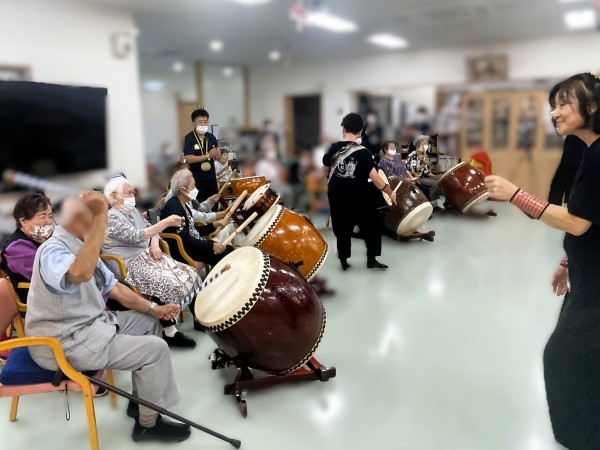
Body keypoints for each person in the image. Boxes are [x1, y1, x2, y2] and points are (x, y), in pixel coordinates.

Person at [484, 72, 600, 449]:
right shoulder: (589, 152)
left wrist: (516, 194)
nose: (555, 112)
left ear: (592, 106)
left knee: (562, 356)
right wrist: (567, 262)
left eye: (564, 103)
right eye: (553, 105)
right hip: (587, 272)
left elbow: (578, 222)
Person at [25, 193, 191, 443]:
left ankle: (141, 402)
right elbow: (78, 274)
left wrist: (153, 309)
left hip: (88, 326)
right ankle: (148, 425)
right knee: (155, 350)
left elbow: (115, 289)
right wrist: (98, 224)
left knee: (147, 322)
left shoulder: (81, 244)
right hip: (63, 341)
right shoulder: (52, 250)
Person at [102, 177, 199, 348]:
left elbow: (151, 228)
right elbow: (136, 236)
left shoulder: (132, 211)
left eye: (133, 192)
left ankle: (198, 318)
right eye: (128, 192)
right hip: (129, 263)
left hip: (148, 256)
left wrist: (155, 244)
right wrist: (166, 222)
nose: (132, 195)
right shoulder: (111, 218)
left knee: (188, 272)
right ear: (115, 196)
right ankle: (170, 332)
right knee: (165, 281)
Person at [323, 113, 397, 271]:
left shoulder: (333, 148)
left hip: (338, 198)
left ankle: (344, 261)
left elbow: (325, 169)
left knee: (342, 230)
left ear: (343, 129)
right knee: (372, 227)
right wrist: (390, 191)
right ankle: (372, 260)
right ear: (361, 132)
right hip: (360, 199)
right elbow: (376, 179)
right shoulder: (364, 152)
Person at [161, 170, 234, 267]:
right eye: (193, 186)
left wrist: (214, 225)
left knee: (228, 250)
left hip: (193, 244)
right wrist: (211, 246)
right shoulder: (174, 209)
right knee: (228, 254)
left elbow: (193, 230)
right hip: (186, 251)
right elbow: (185, 238)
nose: (195, 189)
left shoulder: (183, 204)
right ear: (183, 190)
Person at [0, 193, 54, 302]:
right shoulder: (16, 248)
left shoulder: (44, 239)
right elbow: (50, 276)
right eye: (43, 216)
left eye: (50, 216)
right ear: (24, 222)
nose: (49, 221)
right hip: (38, 303)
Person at [182, 109, 220, 202]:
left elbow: (216, 157)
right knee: (199, 205)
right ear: (194, 123)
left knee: (213, 203)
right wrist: (208, 155)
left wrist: (217, 155)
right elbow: (189, 158)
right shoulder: (189, 138)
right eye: (200, 122)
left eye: (205, 122)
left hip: (211, 178)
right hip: (196, 179)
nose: (203, 124)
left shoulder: (211, 137)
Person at [548, 134, 586, 205]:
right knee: (559, 187)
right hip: (574, 156)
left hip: (575, 157)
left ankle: (558, 206)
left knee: (559, 187)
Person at [406, 135, 441, 204]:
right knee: (436, 183)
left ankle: (433, 201)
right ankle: (432, 202)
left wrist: (434, 176)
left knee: (439, 181)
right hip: (415, 178)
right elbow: (413, 171)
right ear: (418, 145)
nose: (427, 145)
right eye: (425, 143)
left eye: (427, 143)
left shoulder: (424, 156)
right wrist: (423, 164)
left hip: (423, 177)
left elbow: (426, 172)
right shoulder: (412, 155)